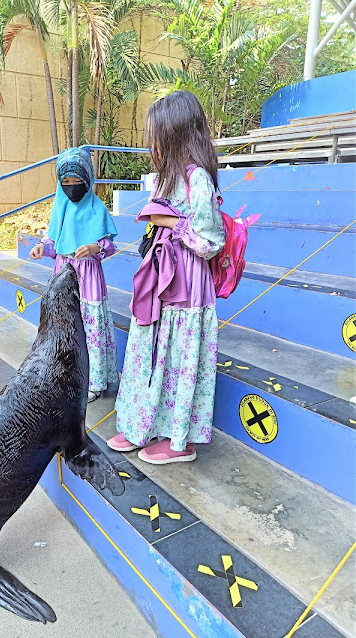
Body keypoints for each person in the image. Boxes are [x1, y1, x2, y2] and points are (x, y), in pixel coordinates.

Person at [107, 90, 225, 464]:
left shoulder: (197, 179)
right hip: (160, 280)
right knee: (149, 351)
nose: (152, 143)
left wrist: (172, 221)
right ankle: (141, 426)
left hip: (186, 286)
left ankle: (179, 442)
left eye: (158, 135)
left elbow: (210, 241)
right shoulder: (165, 178)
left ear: (177, 134)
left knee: (178, 358)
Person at [30, 147, 119, 402]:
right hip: (63, 273)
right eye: (65, 182)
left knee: (90, 328)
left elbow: (110, 244)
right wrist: (41, 247)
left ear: (87, 180)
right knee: (65, 326)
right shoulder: (60, 206)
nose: (71, 187)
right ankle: (67, 375)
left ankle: (94, 381)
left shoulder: (97, 208)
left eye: (76, 181)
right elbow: (53, 241)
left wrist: (94, 248)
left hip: (88, 277)